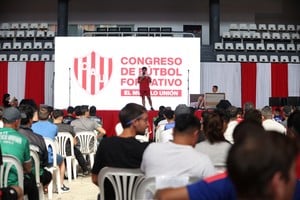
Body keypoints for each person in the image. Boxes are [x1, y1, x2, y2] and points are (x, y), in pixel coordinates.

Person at [155, 121, 300, 200]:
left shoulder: (225, 183)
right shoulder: (296, 189)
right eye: (292, 170)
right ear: (278, 181)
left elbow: (163, 196)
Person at [91, 103, 150, 200]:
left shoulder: (105, 145)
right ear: (135, 122)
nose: (148, 124)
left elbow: (95, 178)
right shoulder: (146, 149)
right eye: (145, 120)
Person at [141, 113, 215, 179]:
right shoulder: (203, 161)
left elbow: (144, 173)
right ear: (196, 134)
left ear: (173, 131)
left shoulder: (151, 150)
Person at [0, 107, 39, 200]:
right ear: (17, 122)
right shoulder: (23, 140)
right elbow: (28, 168)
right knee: (32, 182)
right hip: (14, 185)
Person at [31, 105, 70, 192]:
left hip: (35, 157)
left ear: (37, 116)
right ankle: (61, 185)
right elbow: (54, 136)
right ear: (49, 116)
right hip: (50, 158)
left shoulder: (32, 127)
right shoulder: (54, 127)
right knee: (62, 160)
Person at [18, 104, 52, 190]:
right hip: (34, 177)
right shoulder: (39, 139)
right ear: (30, 120)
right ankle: (42, 191)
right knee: (47, 175)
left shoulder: (11, 136)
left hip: (11, 175)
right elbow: (45, 162)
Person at [52, 109, 89, 176]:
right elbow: (74, 142)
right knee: (77, 152)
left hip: (54, 151)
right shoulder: (68, 128)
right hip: (67, 151)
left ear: (52, 117)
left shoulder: (50, 127)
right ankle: (85, 170)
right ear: (62, 117)